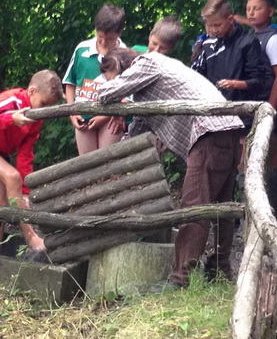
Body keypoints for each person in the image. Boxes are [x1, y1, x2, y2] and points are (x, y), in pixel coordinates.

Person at [98, 48, 244, 289]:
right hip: (225, 128)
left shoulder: (148, 62)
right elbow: (138, 132)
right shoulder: (151, 84)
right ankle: (219, 268)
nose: (117, 82)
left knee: (194, 206)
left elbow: (105, 94)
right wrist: (116, 164)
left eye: (115, 75)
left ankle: (181, 279)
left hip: (209, 132)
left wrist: (118, 104)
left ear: (123, 66)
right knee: (221, 205)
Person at [0, 70, 63, 257]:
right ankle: (31, 238)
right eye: (43, 104)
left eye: (49, 106)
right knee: (12, 176)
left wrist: (24, 191)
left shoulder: (36, 119)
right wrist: (10, 119)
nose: (44, 110)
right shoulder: (12, 100)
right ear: (32, 91)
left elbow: (25, 155)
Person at [244, 0, 277, 220]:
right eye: (248, 9)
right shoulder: (249, 37)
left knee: (271, 154)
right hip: (251, 107)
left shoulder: (274, 39)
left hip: (270, 107)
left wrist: (270, 109)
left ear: (270, 12)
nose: (251, 13)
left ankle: (273, 212)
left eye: (257, 8)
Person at [191, 0, 267, 130]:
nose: (214, 30)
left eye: (217, 25)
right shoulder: (208, 44)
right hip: (212, 116)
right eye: (210, 25)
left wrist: (236, 84)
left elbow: (260, 82)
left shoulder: (248, 42)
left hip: (242, 117)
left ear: (230, 20)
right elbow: (196, 77)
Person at [63, 3, 126, 155]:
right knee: (87, 162)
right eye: (100, 37)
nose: (103, 42)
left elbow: (128, 96)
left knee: (107, 162)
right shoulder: (82, 49)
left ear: (119, 33)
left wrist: (104, 117)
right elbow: (70, 83)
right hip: (82, 115)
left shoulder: (125, 54)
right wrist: (72, 112)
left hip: (111, 117)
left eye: (109, 39)